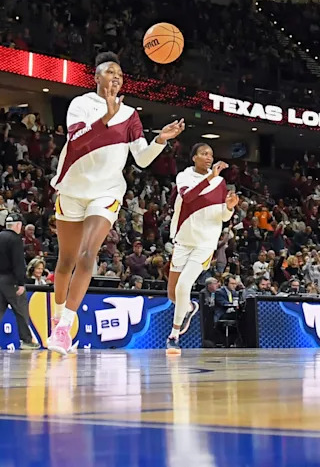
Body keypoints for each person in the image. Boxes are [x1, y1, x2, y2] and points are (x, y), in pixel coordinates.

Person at [47, 52, 185, 354]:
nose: (116, 78)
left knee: (88, 253)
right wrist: (106, 118)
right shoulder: (80, 104)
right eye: (110, 72)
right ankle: (56, 317)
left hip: (107, 191)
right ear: (96, 77)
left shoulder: (130, 114)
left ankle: (64, 328)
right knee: (66, 260)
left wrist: (160, 140)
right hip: (72, 187)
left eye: (120, 75)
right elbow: (77, 142)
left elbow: (141, 159)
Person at [165, 143, 238, 354]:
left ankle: (174, 336)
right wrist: (210, 177)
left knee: (183, 286)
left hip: (205, 243)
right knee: (173, 294)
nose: (209, 157)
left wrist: (229, 208)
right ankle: (188, 307)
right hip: (183, 238)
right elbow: (188, 197)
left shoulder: (220, 182)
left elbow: (223, 216)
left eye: (211, 154)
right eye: (204, 154)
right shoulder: (184, 176)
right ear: (194, 157)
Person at [0, 212, 37, 349]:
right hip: (11, 280)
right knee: (21, 310)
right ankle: (26, 341)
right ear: (18, 225)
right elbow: (18, 262)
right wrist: (21, 283)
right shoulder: (15, 239)